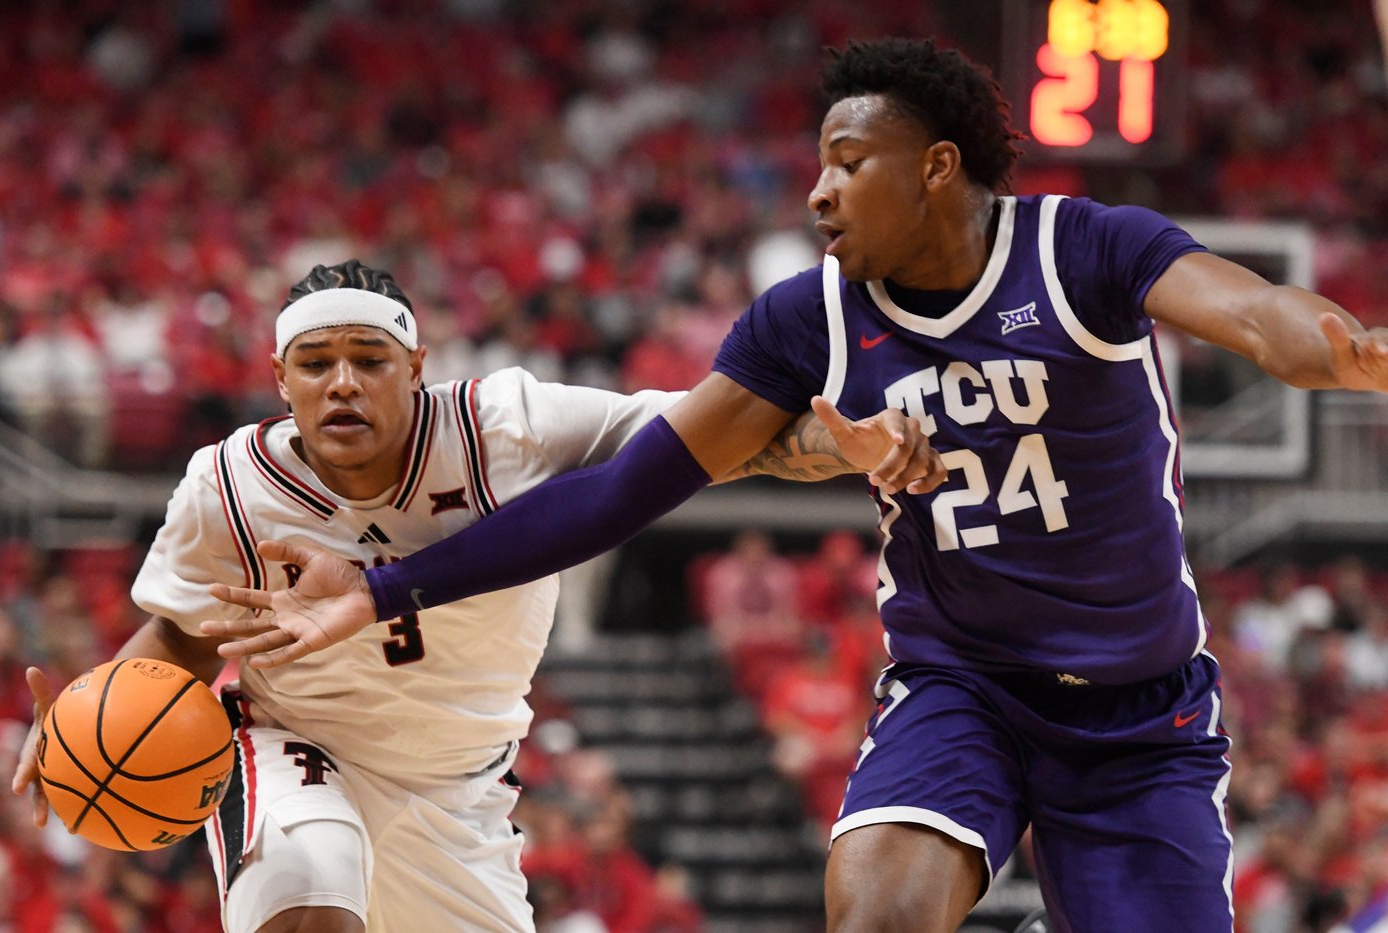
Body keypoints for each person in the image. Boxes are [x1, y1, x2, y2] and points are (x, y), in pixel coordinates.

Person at [196, 38, 1388, 933]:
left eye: (845, 161)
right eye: (817, 163)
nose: (816, 191)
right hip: (960, 686)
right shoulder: (803, 319)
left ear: (933, 169)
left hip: (1138, 714)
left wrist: (1341, 348)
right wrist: (387, 585)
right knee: (872, 911)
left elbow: (1261, 319)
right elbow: (621, 493)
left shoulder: (1083, 249)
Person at [10, 258, 941, 933]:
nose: (343, 382)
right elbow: (180, 634)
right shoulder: (226, 483)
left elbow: (709, 439)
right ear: (279, 381)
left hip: (459, 788)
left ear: (417, 369)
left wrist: (838, 447)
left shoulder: (511, 426)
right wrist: (89, 721)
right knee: (309, 891)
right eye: (317, 362)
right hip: (295, 744)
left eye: (370, 359)